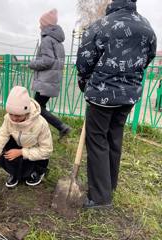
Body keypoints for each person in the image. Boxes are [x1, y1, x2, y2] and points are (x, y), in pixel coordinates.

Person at [76, 0, 156, 209]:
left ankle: (100, 197)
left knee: (97, 140)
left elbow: (84, 60)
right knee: (114, 136)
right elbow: (149, 56)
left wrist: (85, 83)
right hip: (128, 96)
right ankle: (109, 184)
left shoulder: (102, 25)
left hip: (102, 96)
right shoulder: (147, 26)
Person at [0, 86, 53, 193]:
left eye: (18, 115)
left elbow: (46, 150)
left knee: (38, 160)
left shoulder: (40, 124)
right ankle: (15, 173)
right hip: (20, 146)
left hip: (35, 152)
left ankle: (37, 172)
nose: (14, 118)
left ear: (27, 112)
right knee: (3, 141)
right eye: (11, 114)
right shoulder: (8, 120)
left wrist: (21, 152)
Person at [29, 8, 71, 139]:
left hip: (45, 82)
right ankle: (37, 131)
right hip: (51, 81)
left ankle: (61, 127)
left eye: (41, 23)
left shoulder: (47, 40)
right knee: (38, 107)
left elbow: (47, 61)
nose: (39, 26)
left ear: (46, 25)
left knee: (36, 108)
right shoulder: (58, 42)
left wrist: (32, 64)